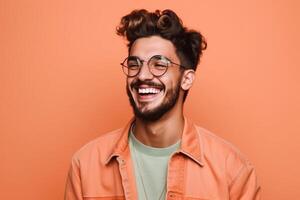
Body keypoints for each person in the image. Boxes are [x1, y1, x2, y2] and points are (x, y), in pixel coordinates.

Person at [64, 9, 261, 200]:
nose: (142, 75)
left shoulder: (233, 170)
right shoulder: (86, 165)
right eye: (134, 64)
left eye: (159, 65)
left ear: (186, 79)